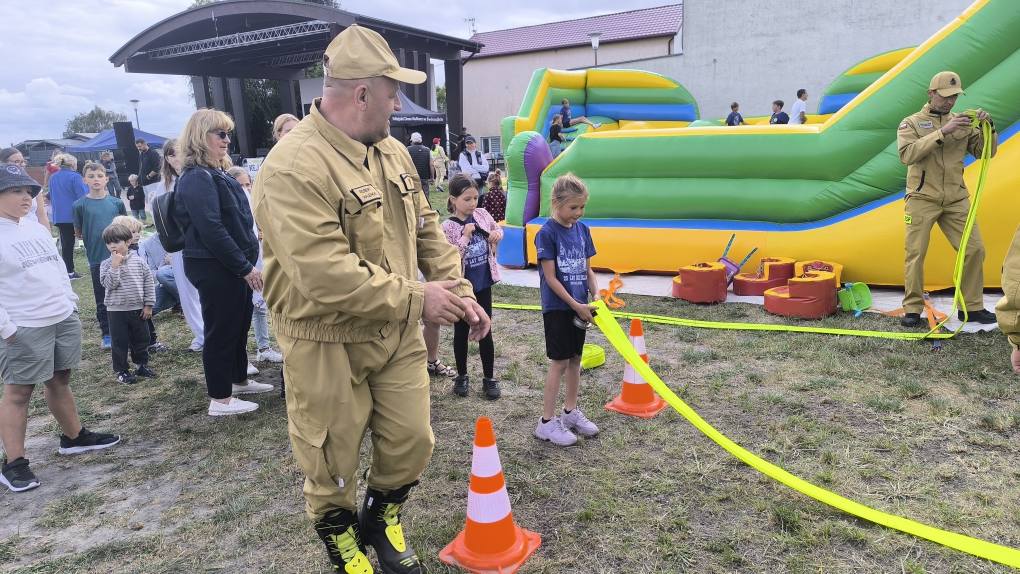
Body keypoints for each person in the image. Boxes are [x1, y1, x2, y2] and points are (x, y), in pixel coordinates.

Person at [252, 25, 490, 574]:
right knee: (331, 457)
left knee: (412, 440)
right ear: (362, 93)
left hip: (397, 331)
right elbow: (325, 275)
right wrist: (419, 299)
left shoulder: (393, 152)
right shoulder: (292, 166)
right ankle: (342, 543)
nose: (399, 102)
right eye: (392, 91)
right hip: (325, 337)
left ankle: (381, 518)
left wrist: (457, 291)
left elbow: (427, 227)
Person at [0, 164, 120, 493]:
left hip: (60, 316)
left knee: (60, 378)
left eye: (29, 191)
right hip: (23, 325)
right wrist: (7, 328)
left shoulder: (35, 228)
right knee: (19, 392)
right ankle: (14, 463)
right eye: (16, 191)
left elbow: (56, 265)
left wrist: (70, 302)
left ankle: (73, 436)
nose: (26, 197)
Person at [174, 109, 273, 417]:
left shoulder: (212, 172)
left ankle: (238, 379)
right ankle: (220, 397)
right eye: (221, 134)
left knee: (238, 324)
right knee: (221, 330)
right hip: (215, 267)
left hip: (229, 265)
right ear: (200, 137)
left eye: (227, 133)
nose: (227, 140)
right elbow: (211, 228)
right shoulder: (196, 178)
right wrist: (244, 268)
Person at [897, 71, 998, 327]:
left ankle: (971, 308)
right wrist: (943, 132)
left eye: (954, 97)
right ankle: (912, 309)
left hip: (956, 198)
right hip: (922, 198)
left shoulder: (962, 123)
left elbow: (987, 153)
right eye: (945, 97)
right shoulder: (912, 123)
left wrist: (989, 128)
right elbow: (907, 155)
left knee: (974, 249)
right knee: (916, 254)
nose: (950, 102)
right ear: (931, 94)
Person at [534, 173, 600, 447]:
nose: (578, 213)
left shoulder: (583, 230)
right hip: (559, 308)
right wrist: (576, 305)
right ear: (557, 203)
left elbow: (588, 270)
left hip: (581, 307)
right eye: (573, 207)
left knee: (575, 359)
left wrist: (595, 294)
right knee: (559, 362)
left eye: (582, 207)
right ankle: (547, 423)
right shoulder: (547, 233)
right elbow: (550, 277)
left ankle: (570, 413)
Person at [442, 175, 503, 399]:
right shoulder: (448, 227)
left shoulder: (482, 215)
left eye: (476, 197)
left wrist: (497, 234)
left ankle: (489, 377)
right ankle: (462, 375)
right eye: (467, 199)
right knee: (461, 331)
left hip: (483, 282)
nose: (473, 203)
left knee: (486, 327)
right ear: (453, 199)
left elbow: (497, 230)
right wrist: (465, 237)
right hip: (461, 287)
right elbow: (450, 258)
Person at [226, 166, 284, 364]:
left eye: (248, 184)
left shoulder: (255, 202)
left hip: (259, 259)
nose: (246, 189)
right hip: (242, 266)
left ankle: (264, 347)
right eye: (240, 185)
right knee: (240, 313)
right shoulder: (230, 207)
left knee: (260, 307)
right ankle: (240, 359)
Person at [73, 161, 127, 349]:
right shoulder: (79, 205)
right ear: (84, 180)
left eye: (99, 176)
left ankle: (127, 329)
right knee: (102, 297)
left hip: (120, 257)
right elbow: (79, 232)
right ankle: (107, 333)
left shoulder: (117, 203)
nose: (95, 180)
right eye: (91, 176)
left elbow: (125, 228)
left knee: (125, 291)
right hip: (97, 259)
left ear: (107, 179)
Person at [158, 139, 205, 352]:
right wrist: (168, 249)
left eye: (179, 153)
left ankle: (209, 331)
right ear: (167, 159)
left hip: (200, 242)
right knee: (186, 291)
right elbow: (162, 220)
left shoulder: (197, 176)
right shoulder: (165, 185)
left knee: (203, 289)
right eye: (171, 155)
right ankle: (200, 334)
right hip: (179, 245)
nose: (177, 158)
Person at [99, 223, 156, 385]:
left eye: (116, 242)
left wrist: (148, 305)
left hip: (138, 308)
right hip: (116, 310)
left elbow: (148, 284)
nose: (112, 246)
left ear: (128, 242)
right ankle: (121, 370)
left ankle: (141, 365)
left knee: (142, 338)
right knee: (119, 342)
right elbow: (109, 284)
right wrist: (115, 266)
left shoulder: (139, 262)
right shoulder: (106, 265)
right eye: (109, 243)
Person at [112, 215, 168, 353]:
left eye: (138, 231)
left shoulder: (140, 249)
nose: (137, 235)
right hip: (130, 297)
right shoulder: (119, 256)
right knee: (137, 323)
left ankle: (151, 342)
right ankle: (141, 346)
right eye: (132, 232)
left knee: (146, 319)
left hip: (143, 293)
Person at [47, 153, 87, 279]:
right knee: (89, 239)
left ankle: (69, 271)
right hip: (75, 215)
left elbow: (51, 196)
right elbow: (83, 197)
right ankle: (95, 264)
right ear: (73, 164)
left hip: (59, 216)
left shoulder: (53, 177)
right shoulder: (75, 177)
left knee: (66, 245)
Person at [0, 148, 48, 228]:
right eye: (16, 162)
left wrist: (47, 235)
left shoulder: (33, 185)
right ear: (3, 163)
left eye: (23, 161)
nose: (22, 164)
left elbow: (41, 214)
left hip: (33, 232)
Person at [138, 232, 178, 314]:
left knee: (163, 273)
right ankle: (179, 300)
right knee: (140, 311)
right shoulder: (147, 244)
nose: (136, 235)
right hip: (166, 284)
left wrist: (174, 262)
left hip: (187, 277)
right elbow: (151, 274)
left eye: (136, 231)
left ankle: (186, 302)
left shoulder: (184, 232)